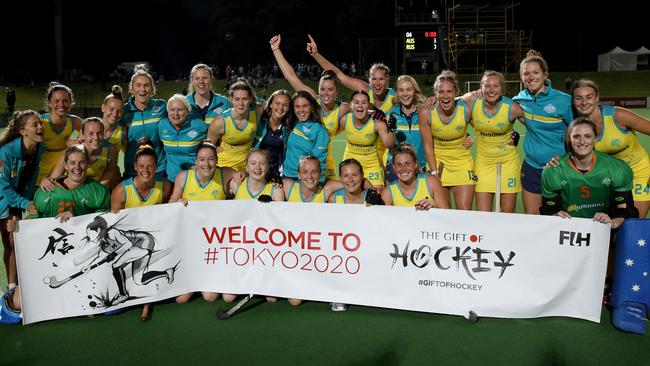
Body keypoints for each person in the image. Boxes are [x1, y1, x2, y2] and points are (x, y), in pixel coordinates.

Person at [270, 35, 350, 179]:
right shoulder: (312, 101)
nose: (326, 93)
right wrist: (276, 49)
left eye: (330, 89)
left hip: (331, 162)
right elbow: (291, 76)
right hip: (310, 165)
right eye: (323, 89)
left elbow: (363, 107)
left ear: (337, 91)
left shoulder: (343, 109)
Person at [306, 35, 394, 165]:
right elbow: (338, 74)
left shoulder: (395, 97)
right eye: (374, 79)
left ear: (388, 80)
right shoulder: (364, 89)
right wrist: (316, 54)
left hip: (387, 147)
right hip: (368, 148)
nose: (378, 83)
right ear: (369, 80)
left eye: (381, 79)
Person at [170, 141, 238, 303]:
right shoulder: (184, 177)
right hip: (190, 242)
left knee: (211, 296)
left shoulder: (226, 174)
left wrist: (241, 174)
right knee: (180, 299)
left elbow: (244, 182)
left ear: (217, 160)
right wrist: (177, 203)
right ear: (195, 161)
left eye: (211, 159)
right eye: (201, 159)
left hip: (216, 242)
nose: (206, 164)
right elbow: (172, 202)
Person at [572, 79, 650, 218]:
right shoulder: (575, 126)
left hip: (638, 171)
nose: (584, 102)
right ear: (573, 101)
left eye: (589, 97)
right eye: (579, 98)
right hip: (608, 178)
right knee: (605, 224)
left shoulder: (618, 116)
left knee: (633, 223)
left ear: (597, 98)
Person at [541, 117, 638, 227]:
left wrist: (612, 223)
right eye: (577, 136)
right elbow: (549, 208)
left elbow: (627, 210)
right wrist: (555, 215)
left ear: (595, 138)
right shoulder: (553, 170)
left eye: (587, 136)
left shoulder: (618, 168)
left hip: (605, 228)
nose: (582, 141)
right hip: (568, 229)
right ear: (569, 139)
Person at [513, 50, 573, 214]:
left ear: (545, 74)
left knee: (561, 219)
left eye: (535, 72)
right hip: (531, 167)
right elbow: (498, 107)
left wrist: (568, 160)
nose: (531, 77)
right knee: (533, 220)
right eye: (526, 73)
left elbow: (578, 132)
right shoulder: (519, 99)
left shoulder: (563, 100)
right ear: (521, 76)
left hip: (559, 168)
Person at [460, 70, 525, 213]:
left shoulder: (512, 108)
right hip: (484, 163)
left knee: (507, 213)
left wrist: (517, 138)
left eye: (496, 86)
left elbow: (535, 126)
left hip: (508, 161)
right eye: (487, 85)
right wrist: (465, 134)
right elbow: (450, 103)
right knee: (483, 214)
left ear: (502, 89)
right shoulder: (472, 100)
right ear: (481, 88)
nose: (491, 90)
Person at [419, 70, 475, 210]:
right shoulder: (426, 113)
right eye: (441, 91)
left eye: (449, 91)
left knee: (464, 209)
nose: (445, 96)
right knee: (442, 211)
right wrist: (434, 173)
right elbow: (427, 147)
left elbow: (484, 128)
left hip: (462, 163)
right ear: (435, 93)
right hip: (437, 165)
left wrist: (471, 137)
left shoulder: (466, 109)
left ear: (456, 92)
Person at [0, 110, 43, 291]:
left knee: (12, 242)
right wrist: (26, 204)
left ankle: (12, 288)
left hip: (13, 203)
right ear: (23, 131)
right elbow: (4, 187)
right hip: (5, 198)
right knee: (10, 241)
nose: (40, 127)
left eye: (41, 123)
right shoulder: (6, 152)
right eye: (35, 125)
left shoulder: (39, 148)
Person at [34, 145, 110, 220]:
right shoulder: (45, 190)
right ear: (65, 165)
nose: (77, 167)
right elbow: (32, 222)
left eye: (82, 162)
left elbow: (102, 223)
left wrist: (76, 219)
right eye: (72, 163)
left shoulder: (100, 191)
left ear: (88, 164)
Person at [41, 118, 119, 191]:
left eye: (99, 133)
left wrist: (98, 189)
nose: (96, 137)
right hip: (72, 191)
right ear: (83, 134)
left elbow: (110, 170)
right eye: (90, 133)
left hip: (94, 191)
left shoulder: (111, 149)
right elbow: (54, 177)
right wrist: (46, 181)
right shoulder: (72, 149)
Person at [340, 90, 396, 191]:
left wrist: (392, 130)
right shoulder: (345, 120)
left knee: (376, 194)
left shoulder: (377, 123)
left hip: (371, 165)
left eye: (364, 102)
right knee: (349, 192)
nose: (360, 106)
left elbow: (389, 144)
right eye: (356, 102)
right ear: (351, 105)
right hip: (350, 163)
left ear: (369, 105)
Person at [121, 64, 167, 179]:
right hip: (133, 169)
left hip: (159, 168)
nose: (142, 89)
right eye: (138, 85)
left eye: (146, 85)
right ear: (131, 89)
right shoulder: (123, 111)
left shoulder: (162, 106)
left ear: (152, 89)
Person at [207, 79, 264, 172]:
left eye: (244, 99)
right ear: (231, 99)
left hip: (247, 167)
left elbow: (273, 107)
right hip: (224, 166)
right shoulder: (220, 122)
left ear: (250, 99)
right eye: (237, 99)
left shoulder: (258, 111)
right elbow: (208, 147)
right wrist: (214, 148)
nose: (241, 104)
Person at [36, 83, 83, 186]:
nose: (61, 104)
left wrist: (76, 143)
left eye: (65, 101)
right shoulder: (40, 123)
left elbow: (89, 134)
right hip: (35, 179)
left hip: (59, 179)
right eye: (56, 101)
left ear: (71, 103)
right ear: (49, 103)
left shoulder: (75, 122)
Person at [386, 75, 428, 182]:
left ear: (415, 91)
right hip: (396, 170)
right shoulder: (391, 114)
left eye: (409, 89)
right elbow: (389, 145)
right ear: (397, 93)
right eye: (401, 90)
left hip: (420, 168)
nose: (405, 94)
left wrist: (467, 136)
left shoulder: (425, 112)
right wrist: (392, 130)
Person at [381, 143, 449, 209]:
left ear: (415, 164)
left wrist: (433, 208)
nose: (403, 168)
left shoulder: (431, 182)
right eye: (399, 164)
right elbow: (383, 218)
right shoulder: (387, 192)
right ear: (394, 167)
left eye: (408, 163)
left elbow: (446, 214)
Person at [111, 140, 172, 212]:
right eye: (141, 166)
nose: (145, 170)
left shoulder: (165, 187)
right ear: (135, 166)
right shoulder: (120, 191)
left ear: (156, 167)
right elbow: (115, 220)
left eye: (150, 166)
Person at [158, 94, 208, 183]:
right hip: (173, 179)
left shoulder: (199, 126)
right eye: (172, 110)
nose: (176, 114)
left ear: (188, 111)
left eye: (180, 110)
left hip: (195, 176)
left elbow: (213, 138)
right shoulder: (162, 125)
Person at [282, 91, 330, 182]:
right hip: (287, 177)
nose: (301, 110)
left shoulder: (319, 130)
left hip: (307, 180)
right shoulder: (290, 124)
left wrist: (319, 183)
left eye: (305, 106)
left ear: (311, 107)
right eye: (297, 106)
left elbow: (320, 161)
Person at [253, 89, 291, 178]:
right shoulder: (259, 122)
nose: (281, 108)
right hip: (256, 172)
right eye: (277, 103)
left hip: (275, 175)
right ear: (270, 104)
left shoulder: (288, 129)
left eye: (285, 105)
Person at [101, 85, 127, 186]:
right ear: (103, 107)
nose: (115, 114)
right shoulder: (90, 126)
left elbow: (128, 154)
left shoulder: (123, 131)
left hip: (112, 182)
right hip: (90, 183)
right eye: (111, 109)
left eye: (119, 111)